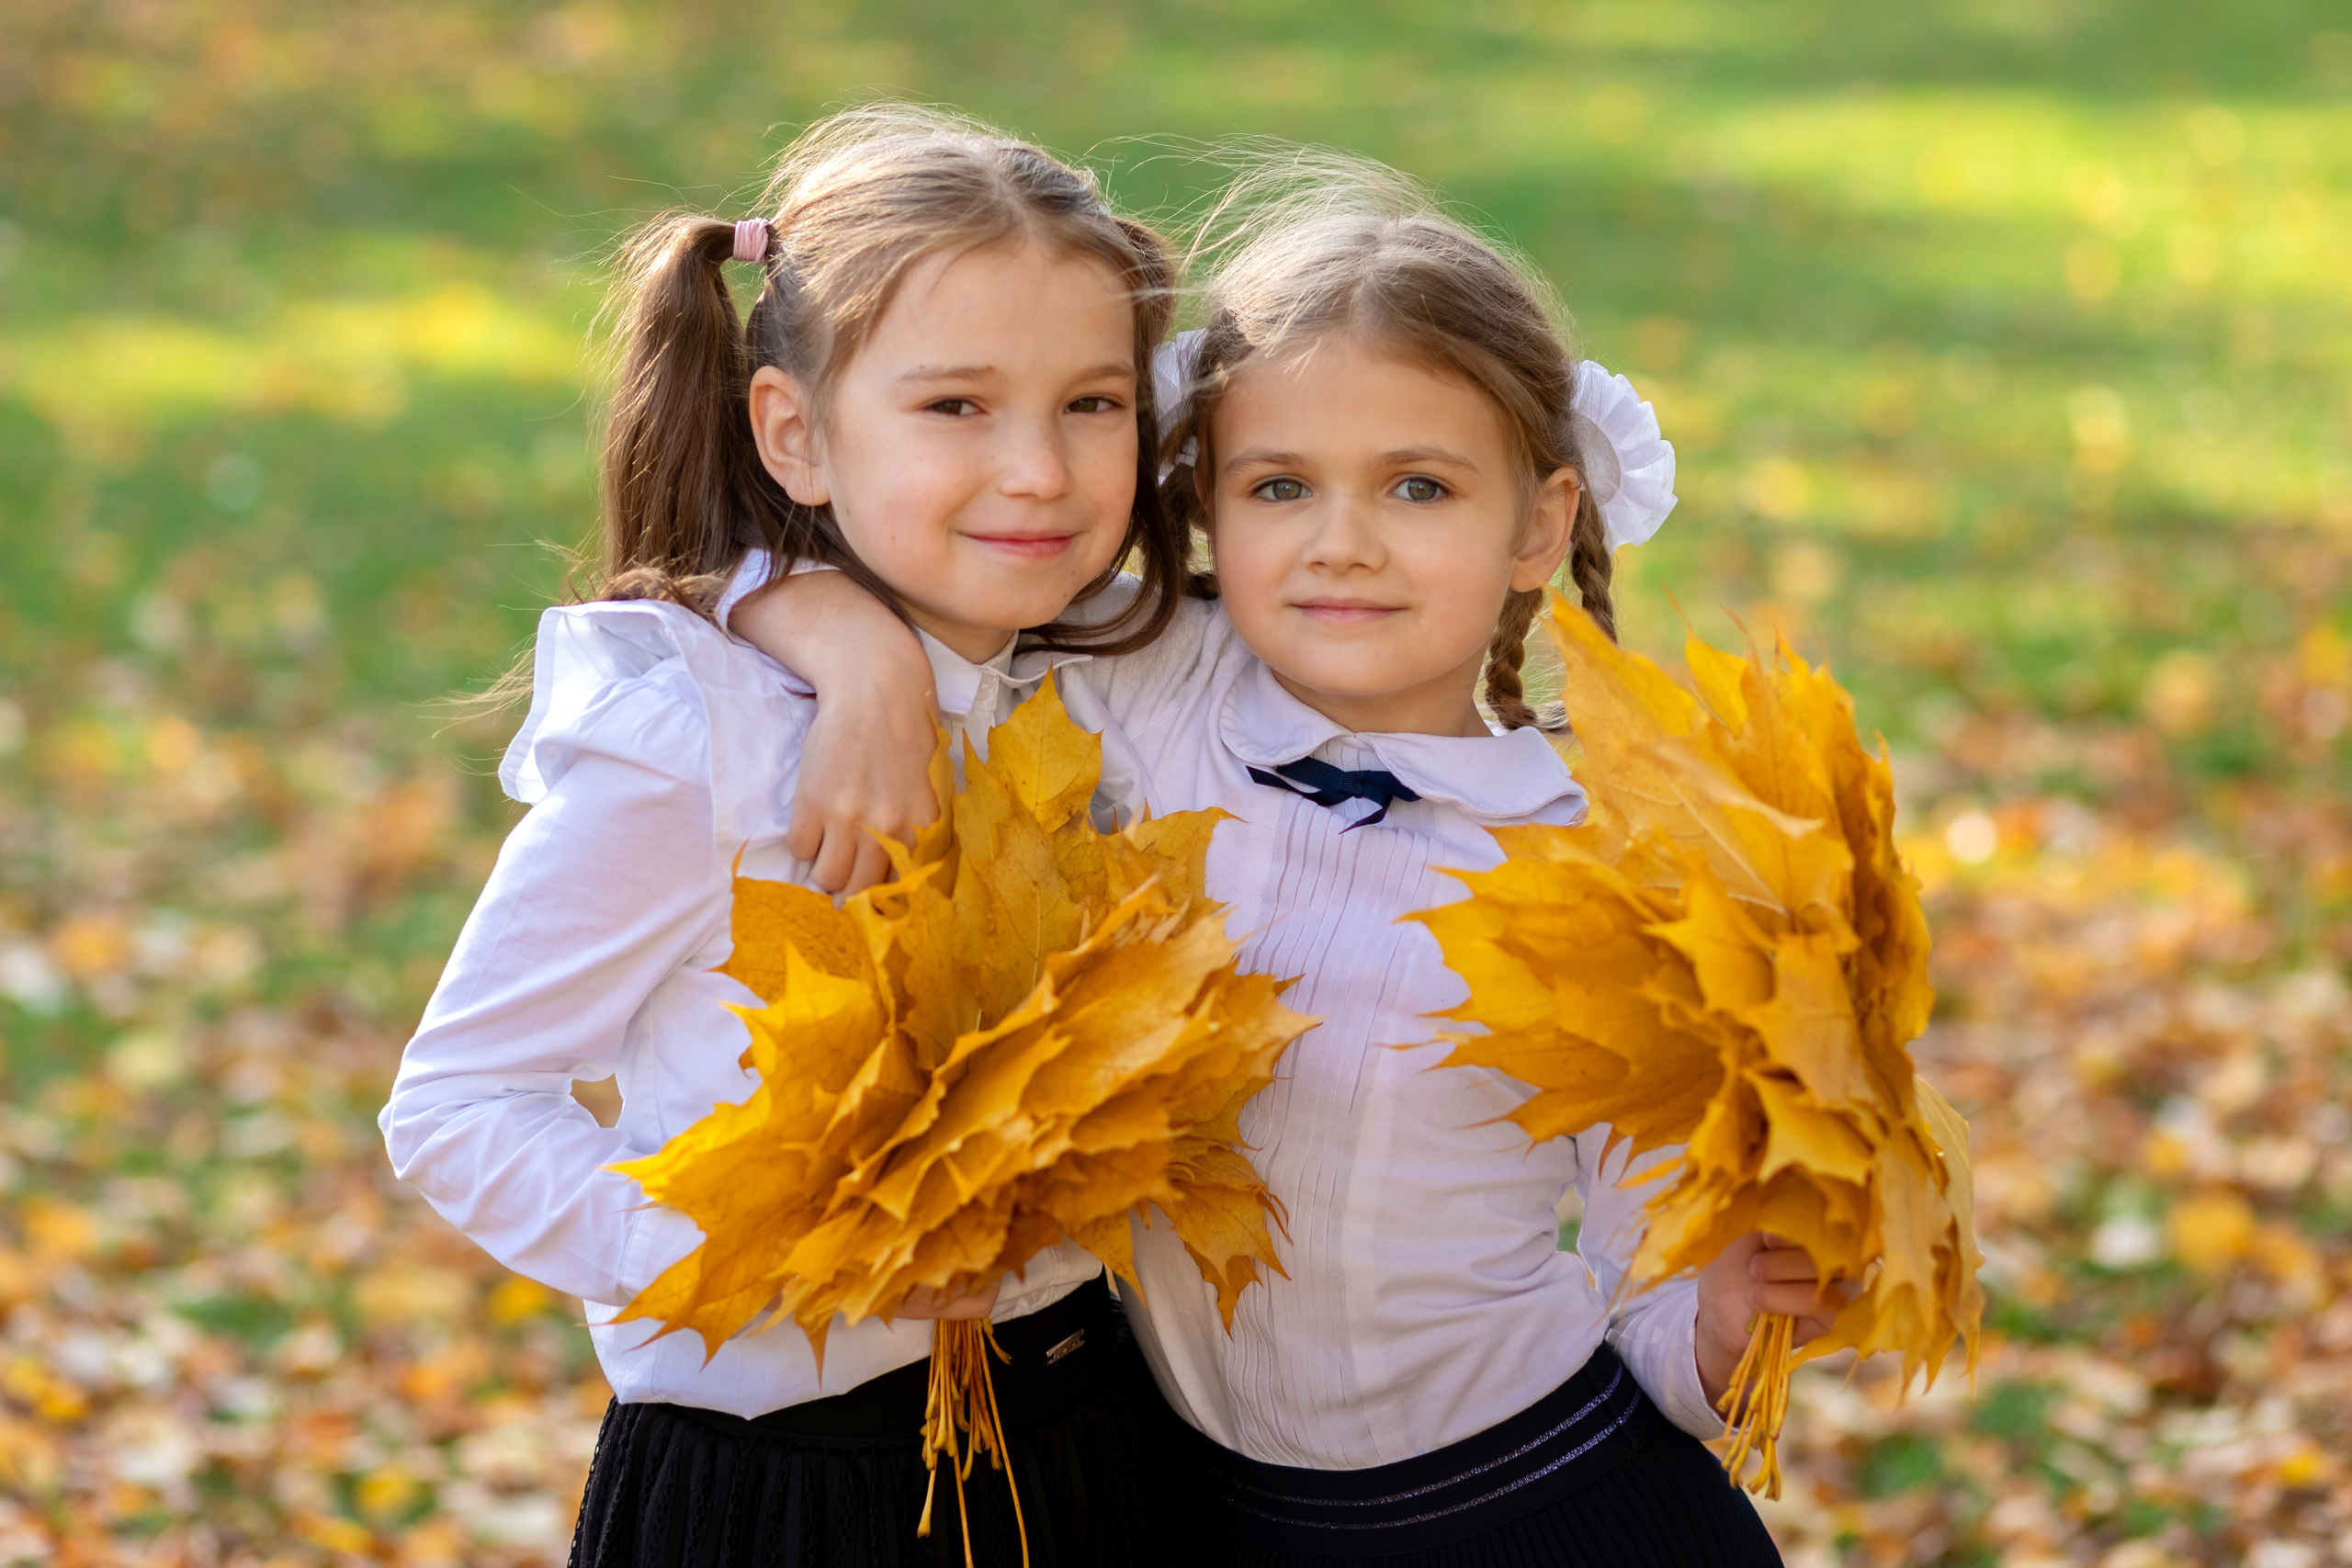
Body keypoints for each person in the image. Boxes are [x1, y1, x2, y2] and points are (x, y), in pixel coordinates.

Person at [734, 157, 1843, 1564]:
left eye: (1421, 487)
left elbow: (1662, 1319)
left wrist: (1742, 1319)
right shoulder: (1134, 690)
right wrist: (853, 660)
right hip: (1203, 1521)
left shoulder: (1604, 862)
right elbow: (845, 559)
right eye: (1279, 488)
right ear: (1204, 502)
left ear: (1543, 525)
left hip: (1550, 1508)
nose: (1342, 545)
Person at [378, 104, 1195, 1568]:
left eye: (1094, 403)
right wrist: (763, 1260)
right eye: (955, 407)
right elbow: (455, 1105)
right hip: (790, 1493)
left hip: (1092, 1443)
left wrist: (833, 626)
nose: (1042, 472)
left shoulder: (1099, 685)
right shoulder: (701, 747)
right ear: (795, 434)